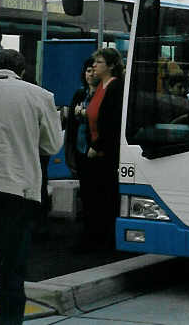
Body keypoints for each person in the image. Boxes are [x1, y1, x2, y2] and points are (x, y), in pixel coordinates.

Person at [0, 49, 62, 325]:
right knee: (11, 271)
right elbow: (51, 145)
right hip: (17, 193)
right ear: (21, 72)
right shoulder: (40, 96)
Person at [85, 47, 125, 248]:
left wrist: (97, 145)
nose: (93, 65)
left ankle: (105, 238)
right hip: (94, 150)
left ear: (110, 66)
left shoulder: (115, 88)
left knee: (105, 196)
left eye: (99, 62)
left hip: (105, 152)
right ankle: (95, 236)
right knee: (94, 196)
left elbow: (112, 121)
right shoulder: (100, 86)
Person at [64, 57, 99, 244]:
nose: (90, 74)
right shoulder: (80, 94)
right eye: (87, 70)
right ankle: (86, 231)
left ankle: (93, 232)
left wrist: (85, 114)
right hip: (80, 147)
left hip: (96, 150)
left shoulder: (103, 94)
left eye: (93, 70)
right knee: (85, 191)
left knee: (95, 192)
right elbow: (71, 125)